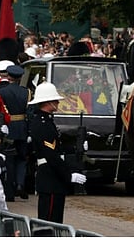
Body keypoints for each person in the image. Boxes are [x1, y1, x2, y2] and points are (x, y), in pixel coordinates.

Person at [28, 82, 86, 223]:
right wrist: (68, 175)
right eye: (55, 100)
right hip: (50, 178)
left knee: (54, 222)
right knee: (49, 222)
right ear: (48, 102)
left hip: (52, 177)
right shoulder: (42, 124)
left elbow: (56, 148)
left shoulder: (46, 122)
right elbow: (51, 155)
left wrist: (75, 148)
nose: (58, 102)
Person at [0, 64, 30, 200]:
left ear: (8, 76)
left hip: (8, 126)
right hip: (22, 127)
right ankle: (20, 184)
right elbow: (29, 112)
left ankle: (10, 186)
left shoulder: (2, 92)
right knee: (22, 158)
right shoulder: (26, 92)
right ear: (20, 78)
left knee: (9, 159)